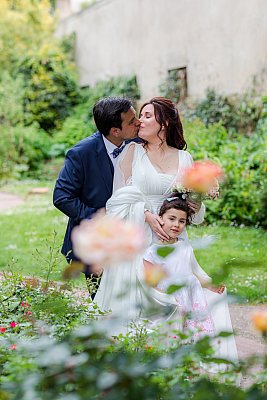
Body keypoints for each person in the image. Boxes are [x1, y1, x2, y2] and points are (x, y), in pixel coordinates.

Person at [94, 97, 206, 327]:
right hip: (137, 233)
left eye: (146, 116)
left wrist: (196, 202)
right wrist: (145, 214)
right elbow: (116, 201)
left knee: (174, 297)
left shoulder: (185, 158)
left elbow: (192, 210)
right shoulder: (131, 152)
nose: (139, 122)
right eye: (139, 116)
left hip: (169, 237)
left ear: (163, 124)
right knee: (138, 298)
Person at [53, 96, 140, 293]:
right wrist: (100, 218)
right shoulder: (81, 153)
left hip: (136, 238)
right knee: (102, 305)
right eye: (132, 121)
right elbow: (62, 196)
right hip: (98, 245)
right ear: (115, 131)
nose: (139, 122)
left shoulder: (140, 143)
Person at [143, 195, 227, 342]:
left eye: (182, 221)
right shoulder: (152, 252)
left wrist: (210, 285)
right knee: (173, 334)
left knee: (193, 334)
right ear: (160, 218)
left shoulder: (184, 246)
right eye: (171, 219)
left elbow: (191, 274)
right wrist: (168, 299)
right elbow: (151, 283)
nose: (176, 225)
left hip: (191, 297)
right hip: (172, 299)